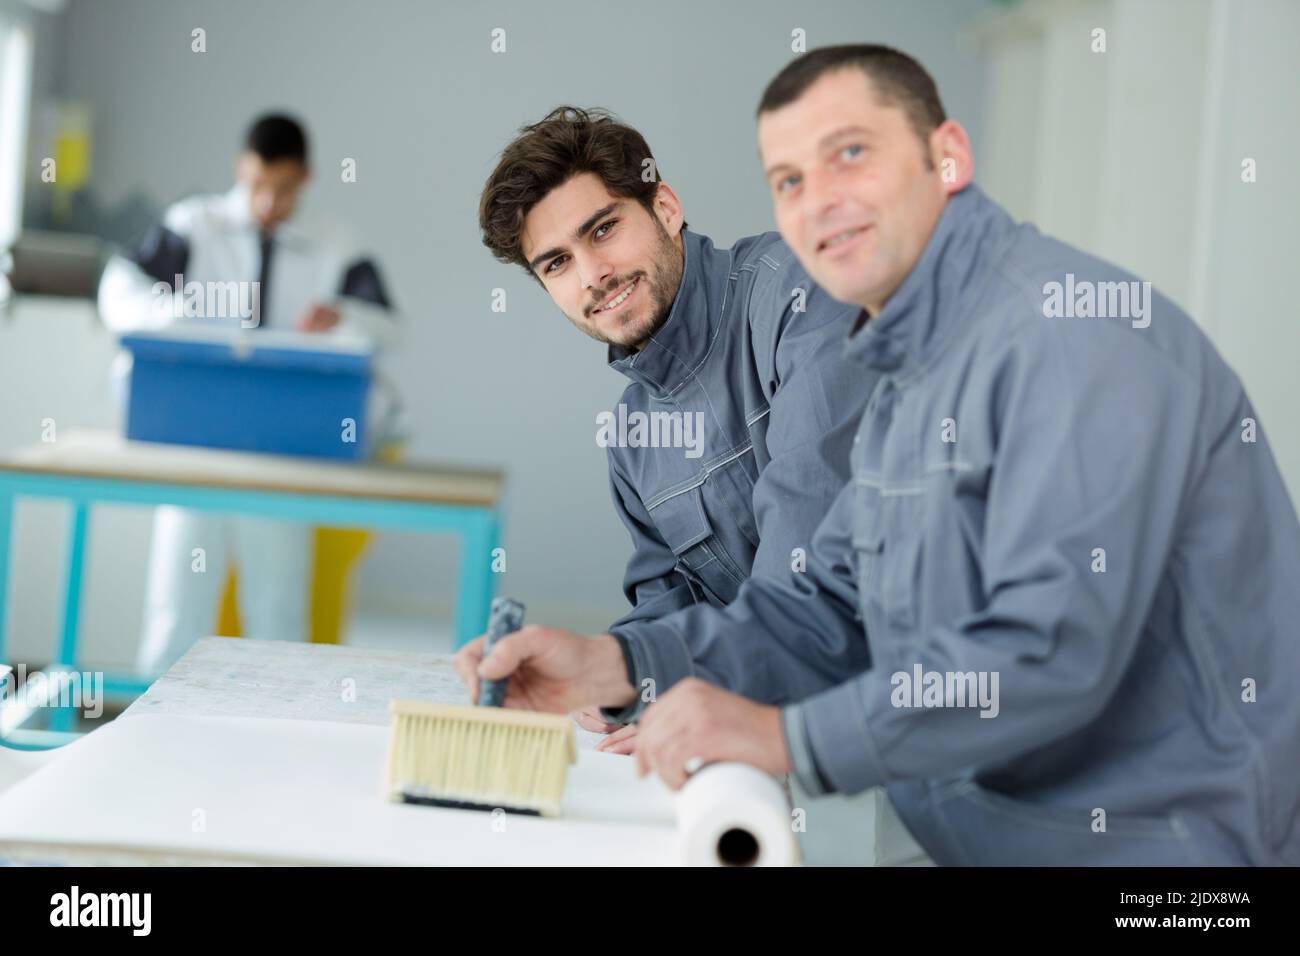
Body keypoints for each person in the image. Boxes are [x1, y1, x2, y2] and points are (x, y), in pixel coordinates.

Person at [457, 46, 1300, 866]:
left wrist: (780, 733)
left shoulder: (1069, 333)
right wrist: (614, 663)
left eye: (849, 156)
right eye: (789, 181)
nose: (819, 202)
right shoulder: (911, 370)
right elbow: (826, 605)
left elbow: (1048, 652)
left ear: (949, 156)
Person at [478, 107, 875, 752]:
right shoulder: (633, 437)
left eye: (603, 229)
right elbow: (670, 601)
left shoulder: (802, 298)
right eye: (556, 264)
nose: (592, 275)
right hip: (798, 741)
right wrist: (621, 686)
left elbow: (810, 579)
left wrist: (653, 674)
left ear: (664, 207)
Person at [99, 113, 395, 673]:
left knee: (279, 611)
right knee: (174, 608)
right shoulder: (195, 224)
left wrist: (344, 316)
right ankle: (151, 732)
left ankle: (279, 735)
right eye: (259, 186)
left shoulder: (337, 245)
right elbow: (118, 285)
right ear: (241, 169)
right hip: (193, 444)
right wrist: (174, 315)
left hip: (281, 452)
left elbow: (391, 326)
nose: (268, 202)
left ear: (306, 178)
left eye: (283, 189)